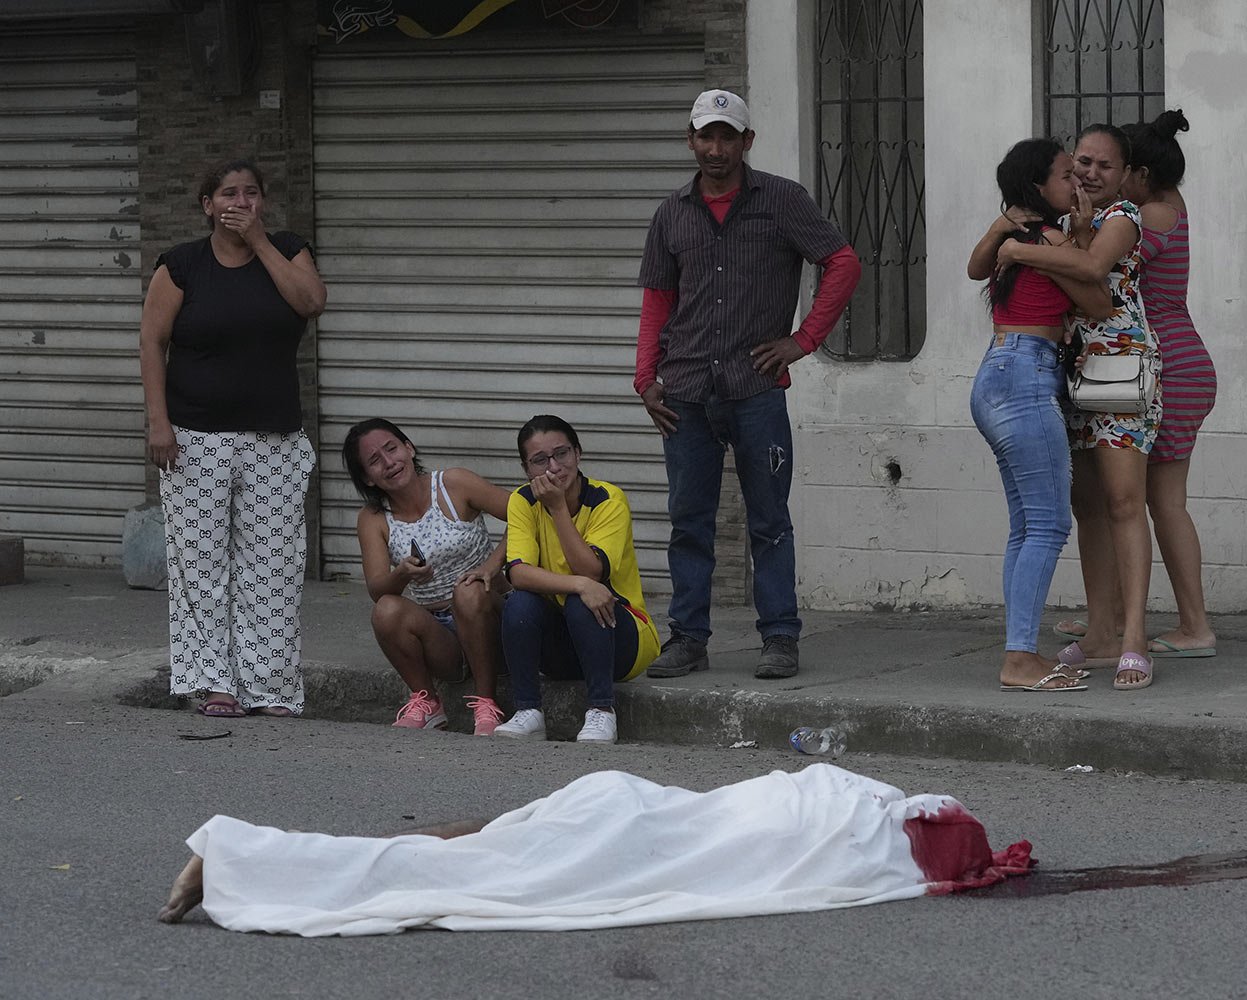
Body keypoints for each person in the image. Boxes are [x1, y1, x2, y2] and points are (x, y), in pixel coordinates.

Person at [157, 764, 1035, 933]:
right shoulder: (853, 851)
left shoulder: (850, 801)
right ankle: (247, 857)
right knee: (468, 871)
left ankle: (248, 857)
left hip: (632, 806)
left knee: (476, 855)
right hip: (638, 828)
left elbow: (784, 791)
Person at [635, 89, 861, 681]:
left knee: (769, 519)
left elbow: (842, 263)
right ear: (690, 140)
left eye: (727, 136)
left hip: (755, 388)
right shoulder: (671, 213)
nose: (715, 148)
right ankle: (688, 638)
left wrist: (803, 339)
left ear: (746, 142)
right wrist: (644, 378)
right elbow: (658, 300)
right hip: (684, 387)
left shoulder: (781, 200)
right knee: (689, 520)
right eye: (705, 136)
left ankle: (780, 637)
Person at [139, 158, 326, 718]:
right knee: (199, 565)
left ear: (262, 202)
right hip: (194, 437)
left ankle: (269, 687)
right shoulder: (181, 266)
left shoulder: (289, 250)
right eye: (227, 194)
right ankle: (213, 683)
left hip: (274, 437)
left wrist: (261, 243)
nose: (238, 203)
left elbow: (312, 302)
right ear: (206, 204)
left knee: (272, 565)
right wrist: (158, 421)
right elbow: (152, 341)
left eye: (249, 194)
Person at [996, 124, 1162, 690]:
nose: (1090, 174)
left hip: (1117, 370)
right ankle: (1100, 633)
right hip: (1068, 373)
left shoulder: (1124, 219)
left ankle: (1134, 637)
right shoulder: (1065, 224)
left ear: (1125, 177)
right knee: (1087, 508)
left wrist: (1020, 246)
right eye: (1081, 163)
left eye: (1103, 166)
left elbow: (1092, 272)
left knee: (1123, 502)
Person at [1051, 112, 1218, 661]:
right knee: (1140, 500)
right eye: (1089, 162)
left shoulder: (1147, 214)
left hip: (1162, 364)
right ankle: (1117, 618)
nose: (1103, 175)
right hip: (1174, 362)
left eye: (1114, 167)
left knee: (1158, 502)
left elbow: (1099, 270)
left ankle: (1191, 626)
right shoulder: (1171, 207)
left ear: (1137, 173)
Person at [966, 139, 1114, 693]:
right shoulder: (1042, 238)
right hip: (1024, 378)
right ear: (1036, 187)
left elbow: (979, 266)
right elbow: (1099, 299)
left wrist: (1014, 234)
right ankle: (1020, 657)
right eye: (1062, 175)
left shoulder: (1023, 238)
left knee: (1028, 526)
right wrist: (1067, 238)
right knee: (1049, 525)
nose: (1074, 181)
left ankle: (1019, 651)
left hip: (1001, 375)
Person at [492, 415, 660, 745]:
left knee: (583, 600)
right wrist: (580, 585)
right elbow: (517, 572)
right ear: (527, 469)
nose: (554, 467)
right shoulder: (522, 500)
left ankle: (602, 710)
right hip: (562, 644)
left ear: (578, 454)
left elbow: (591, 571)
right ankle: (528, 711)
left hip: (620, 640)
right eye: (540, 460)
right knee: (520, 602)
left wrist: (557, 510)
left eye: (562, 454)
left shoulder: (607, 500)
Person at [342, 418, 513, 735]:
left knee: (469, 590)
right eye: (375, 461)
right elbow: (379, 589)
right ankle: (428, 703)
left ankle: (488, 705)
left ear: (409, 448)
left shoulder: (454, 484)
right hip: (442, 636)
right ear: (367, 478)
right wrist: (402, 573)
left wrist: (492, 565)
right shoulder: (373, 519)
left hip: (492, 620)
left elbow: (524, 514)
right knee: (387, 610)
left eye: (392, 449)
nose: (389, 463)